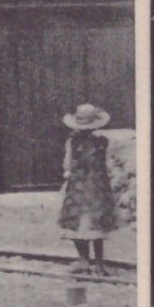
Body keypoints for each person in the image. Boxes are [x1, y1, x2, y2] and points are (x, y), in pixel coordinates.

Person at [58, 103, 118, 275]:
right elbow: (69, 163)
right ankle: (91, 262)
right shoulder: (93, 142)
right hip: (90, 186)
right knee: (88, 223)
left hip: (86, 186)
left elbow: (68, 164)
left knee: (86, 223)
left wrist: (69, 173)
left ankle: (91, 261)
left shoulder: (90, 142)